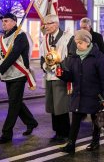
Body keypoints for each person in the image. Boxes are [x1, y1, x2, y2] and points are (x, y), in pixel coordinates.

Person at [58, 29, 104, 154]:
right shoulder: (74, 57)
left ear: (88, 42)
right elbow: (71, 77)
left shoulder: (98, 57)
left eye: (80, 42)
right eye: (76, 42)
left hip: (94, 95)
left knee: (95, 119)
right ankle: (71, 144)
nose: (78, 45)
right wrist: (61, 74)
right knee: (76, 120)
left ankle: (95, 142)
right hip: (78, 94)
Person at [0, 13, 38, 144]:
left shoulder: (20, 36)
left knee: (13, 104)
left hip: (19, 75)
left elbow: (13, 55)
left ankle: (6, 134)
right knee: (16, 102)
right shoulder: (1, 38)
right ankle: (31, 122)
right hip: (8, 75)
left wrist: (0, 70)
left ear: (14, 22)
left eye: (6, 21)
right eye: (3, 21)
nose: (4, 23)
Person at [40, 14, 76, 143]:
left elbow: (71, 57)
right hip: (49, 76)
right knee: (52, 106)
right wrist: (44, 65)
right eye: (45, 24)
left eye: (48, 24)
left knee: (61, 106)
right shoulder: (45, 39)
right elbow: (42, 57)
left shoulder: (67, 38)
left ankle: (65, 132)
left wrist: (60, 68)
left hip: (61, 76)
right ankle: (57, 132)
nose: (46, 26)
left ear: (56, 24)